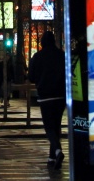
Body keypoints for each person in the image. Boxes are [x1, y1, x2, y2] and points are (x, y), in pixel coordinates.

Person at [29, 30, 66, 170]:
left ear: (42, 42)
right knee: (56, 126)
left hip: (45, 96)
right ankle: (52, 157)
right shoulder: (61, 55)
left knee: (49, 127)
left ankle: (57, 151)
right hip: (60, 96)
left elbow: (31, 76)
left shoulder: (38, 57)